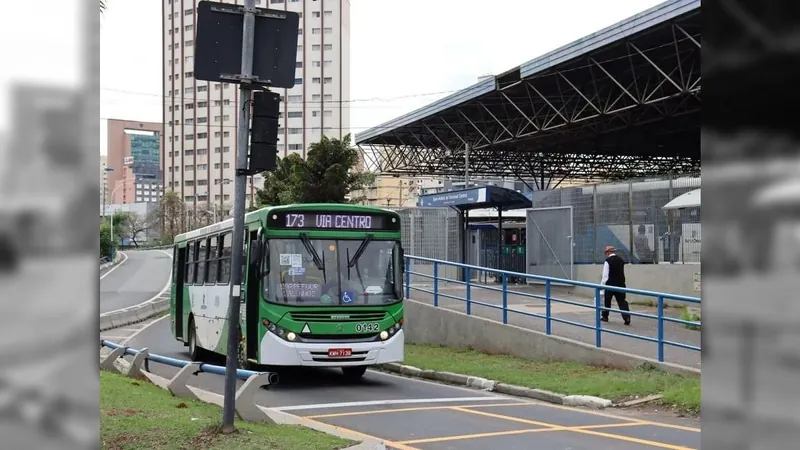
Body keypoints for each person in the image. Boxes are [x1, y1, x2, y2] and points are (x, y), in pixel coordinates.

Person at [600, 245, 631, 325]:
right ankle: (626, 317)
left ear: (608, 252)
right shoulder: (620, 260)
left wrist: (602, 285)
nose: (606, 254)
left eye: (606, 252)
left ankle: (605, 316)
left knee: (607, 301)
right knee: (622, 301)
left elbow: (605, 276)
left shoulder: (608, 261)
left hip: (610, 284)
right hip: (620, 284)